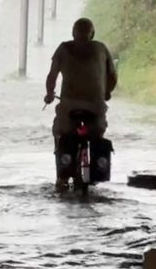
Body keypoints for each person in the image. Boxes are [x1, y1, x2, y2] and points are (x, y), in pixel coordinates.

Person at [45, 17, 118, 190]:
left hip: (70, 107)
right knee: (96, 134)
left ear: (73, 33)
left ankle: (61, 178)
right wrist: (106, 92)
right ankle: (95, 166)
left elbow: (52, 76)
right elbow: (113, 77)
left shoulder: (64, 48)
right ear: (92, 34)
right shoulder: (101, 48)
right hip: (95, 107)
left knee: (60, 131)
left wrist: (49, 94)